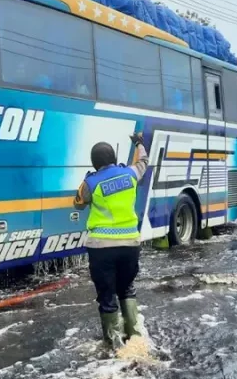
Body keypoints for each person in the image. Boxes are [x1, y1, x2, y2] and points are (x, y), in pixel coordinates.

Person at [74, 132, 149, 347]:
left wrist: (88, 180)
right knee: (126, 288)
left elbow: (78, 203)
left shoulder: (91, 182)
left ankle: (114, 345)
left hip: (101, 247)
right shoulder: (131, 173)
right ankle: (135, 337)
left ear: (94, 162)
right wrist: (138, 143)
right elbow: (144, 161)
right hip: (130, 244)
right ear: (114, 158)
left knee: (107, 295)